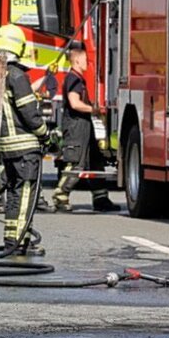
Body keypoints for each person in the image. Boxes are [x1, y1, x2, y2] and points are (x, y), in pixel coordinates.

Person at [0, 24, 49, 255]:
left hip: (7, 147)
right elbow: (29, 114)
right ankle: (18, 244)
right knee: (25, 196)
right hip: (25, 147)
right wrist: (45, 133)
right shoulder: (17, 75)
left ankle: (12, 241)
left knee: (14, 195)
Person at [52, 42, 120, 212]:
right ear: (76, 62)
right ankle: (61, 196)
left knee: (95, 160)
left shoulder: (77, 79)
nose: (86, 63)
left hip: (84, 125)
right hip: (76, 125)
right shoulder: (74, 79)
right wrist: (94, 109)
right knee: (76, 163)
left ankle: (101, 198)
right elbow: (75, 103)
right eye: (84, 60)